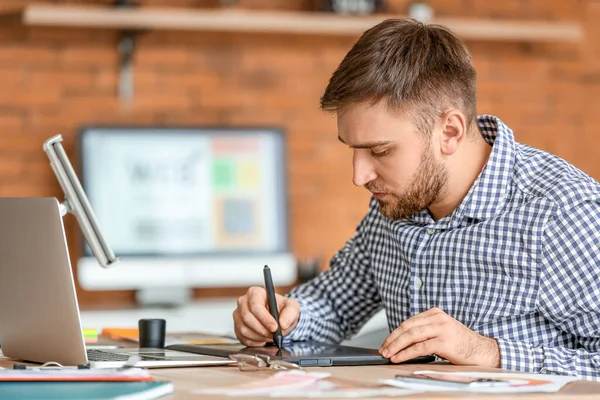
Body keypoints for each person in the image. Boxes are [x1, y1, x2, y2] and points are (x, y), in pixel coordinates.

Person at [232, 18, 600, 379]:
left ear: (450, 132)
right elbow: (333, 304)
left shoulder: (562, 213)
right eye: (353, 150)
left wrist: (485, 352)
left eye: (380, 151)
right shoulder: (395, 202)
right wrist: (282, 316)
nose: (359, 176)